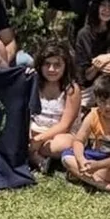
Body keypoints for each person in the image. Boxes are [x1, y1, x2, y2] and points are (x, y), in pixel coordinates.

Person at [62, 73, 110, 196]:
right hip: (96, 155)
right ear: (96, 100)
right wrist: (81, 160)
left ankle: (81, 175)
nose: (107, 106)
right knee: (66, 158)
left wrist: (97, 166)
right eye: (102, 101)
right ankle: (105, 186)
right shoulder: (93, 114)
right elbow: (78, 141)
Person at [28, 42, 83, 172]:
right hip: (34, 129)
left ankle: (31, 154)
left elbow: (65, 125)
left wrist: (38, 140)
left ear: (65, 66)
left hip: (60, 134)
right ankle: (36, 156)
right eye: (47, 64)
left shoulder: (71, 89)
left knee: (64, 144)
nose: (51, 69)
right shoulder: (33, 83)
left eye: (57, 65)